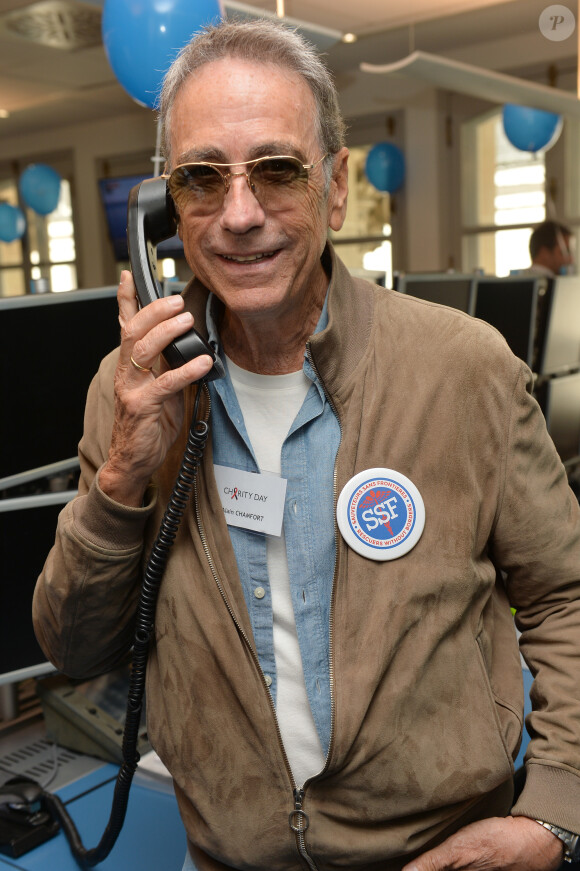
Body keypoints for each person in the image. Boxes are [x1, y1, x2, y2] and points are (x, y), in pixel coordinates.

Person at [33, 19, 580, 871]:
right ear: (166, 207)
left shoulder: (463, 367)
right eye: (202, 178)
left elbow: (565, 597)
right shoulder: (133, 386)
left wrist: (554, 808)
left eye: (278, 170)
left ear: (334, 185)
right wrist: (124, 471)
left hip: (444, 852)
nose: (240, 215)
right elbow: (73, 646)